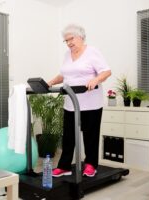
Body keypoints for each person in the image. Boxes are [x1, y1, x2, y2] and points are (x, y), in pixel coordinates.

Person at [48, 24, 111, 177]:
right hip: (71, 103)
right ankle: (64, 166)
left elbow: (106, 71)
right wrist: (49, 83)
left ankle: (90, 165)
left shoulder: (92, 52)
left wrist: (95, 80)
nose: (69, 43)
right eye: (66, 40)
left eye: (71, 39)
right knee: (69, 136)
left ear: (81, 37)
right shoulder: (66, 55)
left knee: (90, 136)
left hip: (91, 103)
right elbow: (64, 75)